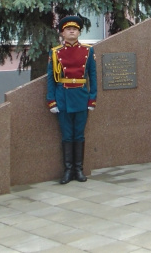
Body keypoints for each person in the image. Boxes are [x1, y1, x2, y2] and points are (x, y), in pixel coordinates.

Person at [46, 15, 97, 184]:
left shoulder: (88, 51)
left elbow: (93, 76)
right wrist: (51, 100)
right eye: (68, 29)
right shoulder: (55, 53)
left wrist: (92, 99)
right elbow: (51, 79)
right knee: (67, 136)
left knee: (79, 135)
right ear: (62, 33)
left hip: (81, 97)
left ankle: (79, 170)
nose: (72, 31)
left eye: (75, 29)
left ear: (79, 32)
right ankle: (68, 170)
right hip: (63, 99)